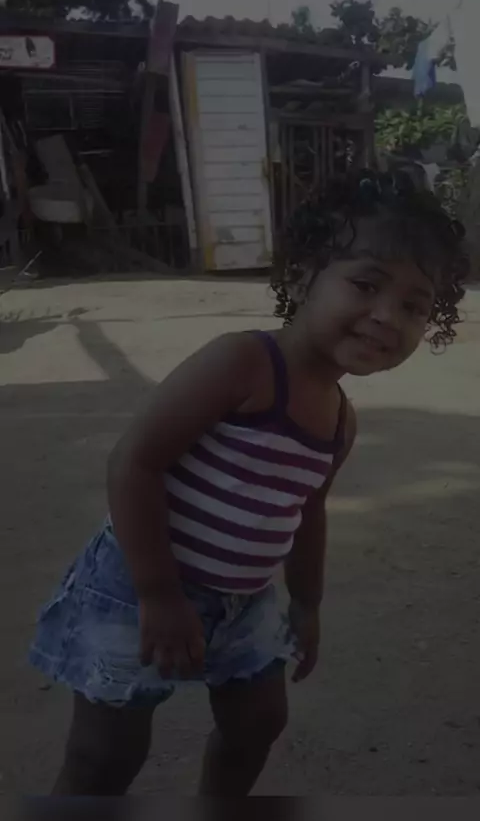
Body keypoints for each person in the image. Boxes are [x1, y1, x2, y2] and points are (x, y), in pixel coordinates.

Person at [29, 170, 468, 796]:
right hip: (135, 585)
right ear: (302, 277)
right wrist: (160, 595)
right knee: (107, 753)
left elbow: (307, 513)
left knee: (258, 722)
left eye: (414, 306)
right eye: (366, 284)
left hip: (243, 602)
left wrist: (307, 604)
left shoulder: (339, 421)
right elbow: (134, 463)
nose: (385, 316)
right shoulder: (242, 362)